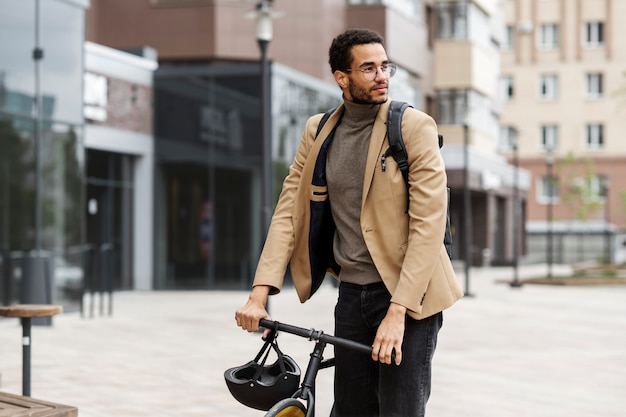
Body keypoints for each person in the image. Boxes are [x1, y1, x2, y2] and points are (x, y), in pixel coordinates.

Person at [235, 28, 463, 417]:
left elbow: (427, 226)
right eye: (369, 68)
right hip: (352, 297)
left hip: (410, 296)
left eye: (385, 66)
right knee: (350, 410)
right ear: (342, 77)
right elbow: (289, 212)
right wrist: (260, 293)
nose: (382, 76)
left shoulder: (412, 127)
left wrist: (398, 312)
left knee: (399, 410)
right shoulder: (318, 131)